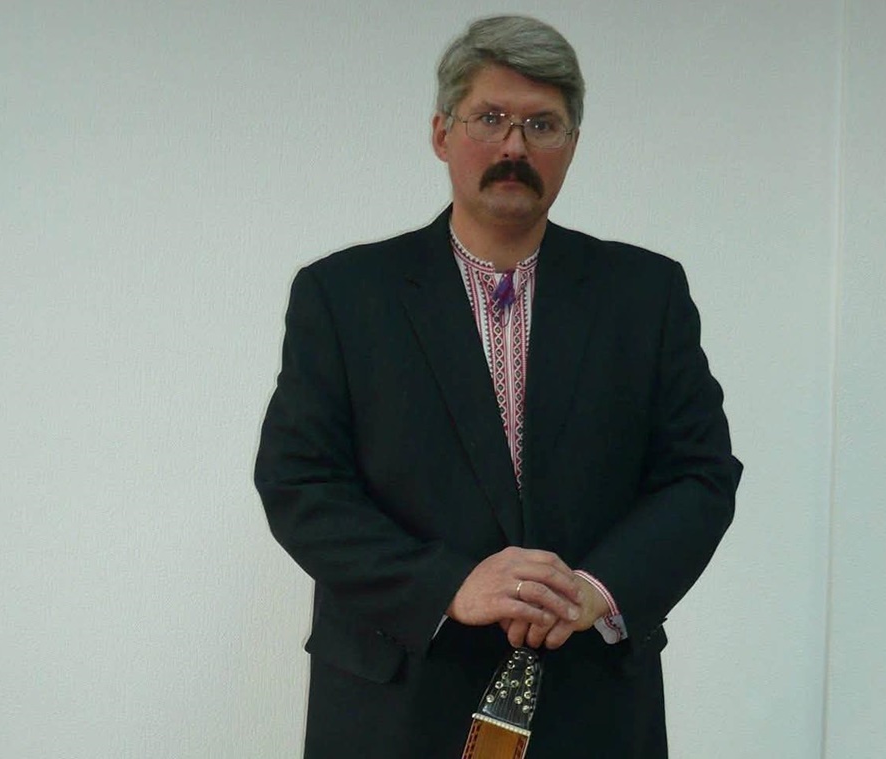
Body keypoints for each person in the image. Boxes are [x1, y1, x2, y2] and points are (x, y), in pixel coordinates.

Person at [254, 15, 741, 759]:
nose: (515, 146)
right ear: (441, 133)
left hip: (592, 700)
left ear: (572, 144)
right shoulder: (344, 295)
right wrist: (449, 585)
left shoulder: (646, 294)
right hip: (395, 702)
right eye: (490, 118)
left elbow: (700, 475)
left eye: (542, 124)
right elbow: (300, 483)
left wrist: (596, 588)